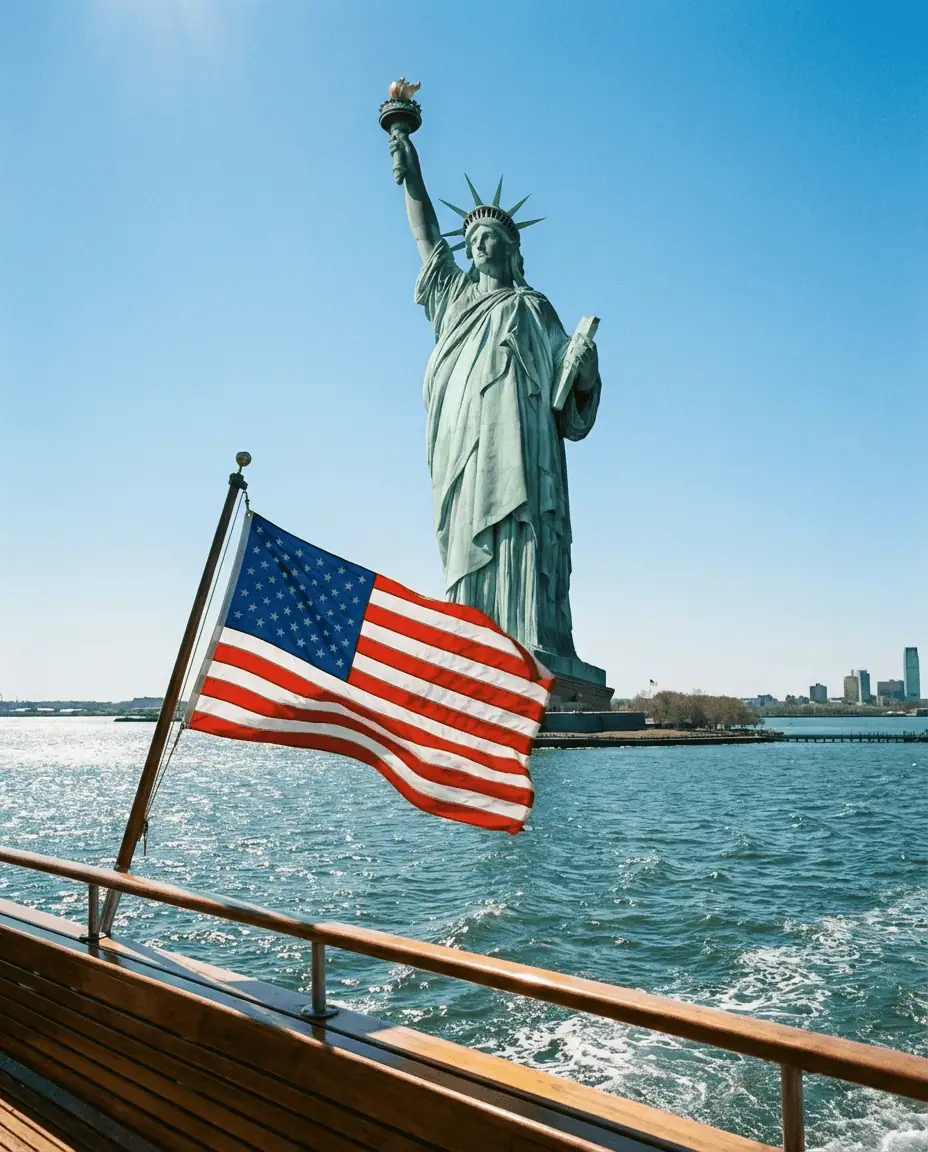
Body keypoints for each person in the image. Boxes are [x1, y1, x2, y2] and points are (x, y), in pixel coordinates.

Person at [389, 131, 602, 662]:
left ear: (512, 249)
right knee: (467, 527)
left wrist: (586, 370)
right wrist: (409, 164)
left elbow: (568, 393)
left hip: (525, 446)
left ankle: (532, 636)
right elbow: (425, 233)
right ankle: (471, 644)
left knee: (523, 526)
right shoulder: (455, 298)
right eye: (474, 240)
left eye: (492, 238)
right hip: (464, 442)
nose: (480, 246)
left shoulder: (535, 307)